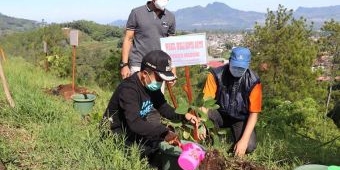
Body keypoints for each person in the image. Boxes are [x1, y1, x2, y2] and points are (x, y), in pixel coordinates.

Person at [102, 50, 200, 167]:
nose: (161, 82)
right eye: (159, 78)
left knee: (160, 150)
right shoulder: (129, 90)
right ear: (144, 74)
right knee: (148, 157)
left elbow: (163, 107)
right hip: (117, 133)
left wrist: (184, 116)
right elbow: (135, 123)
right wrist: (164, 132)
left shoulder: (150, 86)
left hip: (134, 131)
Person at [202, 47, 262, 157]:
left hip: (240, 118)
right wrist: (202, 123)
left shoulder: (253, 81)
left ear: (248, 65)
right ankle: (210, 147)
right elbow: (205, 104)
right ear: (229, 61)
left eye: (241, 68)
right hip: (219, 113)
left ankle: (229, 152)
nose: (237, 70)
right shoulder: (215, 75)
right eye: (235, 66)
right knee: (207, 117)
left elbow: (254, 113)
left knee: (249, 145)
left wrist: (244, 140)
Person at [120, 0, 176, 79]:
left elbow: (171, 45)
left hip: (159, 66)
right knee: (136, 90)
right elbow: (128, 39)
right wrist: (124, 65)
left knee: (156, 90)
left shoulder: (170, 17)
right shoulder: (137, 13)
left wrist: (173, 67)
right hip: (138, 64)